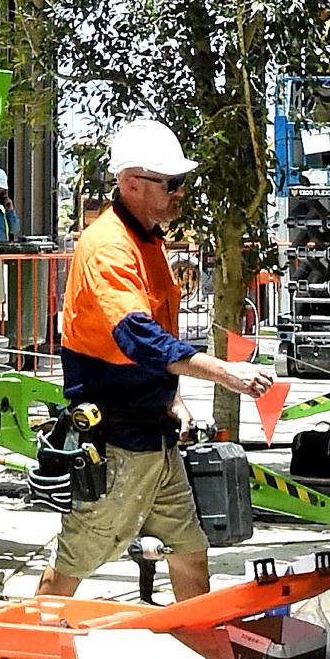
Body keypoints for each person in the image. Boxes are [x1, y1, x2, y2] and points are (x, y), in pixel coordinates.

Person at [41, 116, 266, 602]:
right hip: (118, 443)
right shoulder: (107, 247)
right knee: (76, 560)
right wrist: (223, 372)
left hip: (154, 437)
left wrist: (177, 400)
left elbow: (158, 336)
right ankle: (25, 650)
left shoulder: (149, 243)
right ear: (131, 183)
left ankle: (200, 646)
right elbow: (141, 339)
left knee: (190, 549)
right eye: (171, 183)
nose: (180, 192)